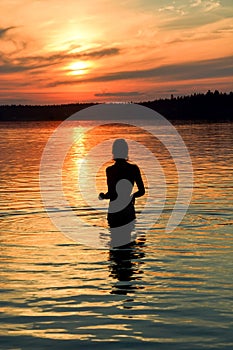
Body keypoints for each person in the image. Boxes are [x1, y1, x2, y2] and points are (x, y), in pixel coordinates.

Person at [99, 139, 145, 229]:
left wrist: (103, 196)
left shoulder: (110, 170)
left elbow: (112, 193)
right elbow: (142, 191)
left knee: (115, 240)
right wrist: (132, 197)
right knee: (129, 240)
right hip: (128, 209)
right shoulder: (133, 169)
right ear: (126, 152)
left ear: (113, 152)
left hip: (114, 210)